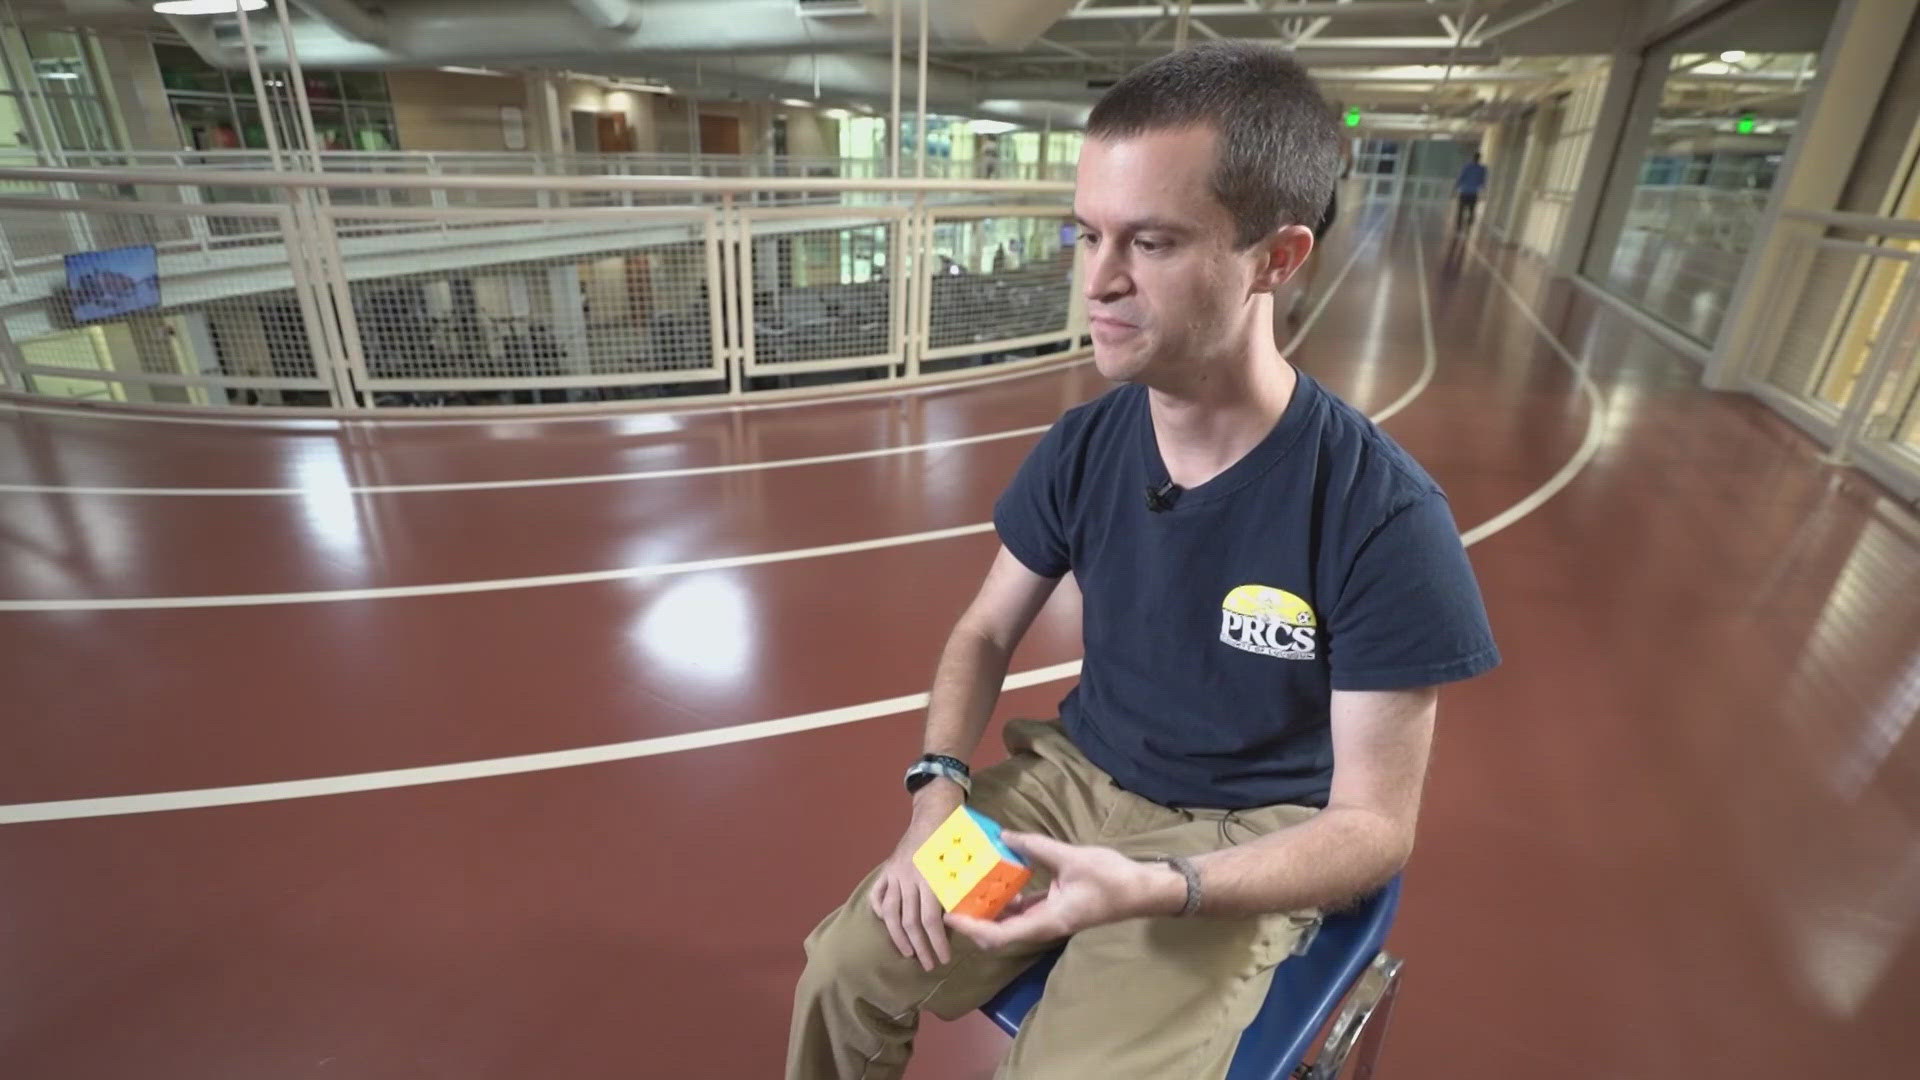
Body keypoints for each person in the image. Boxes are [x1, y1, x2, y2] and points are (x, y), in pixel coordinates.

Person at [787, 43, 1499, 1080]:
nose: (1101, 280)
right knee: (846, 970)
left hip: (1234, 844)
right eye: (1089, 234)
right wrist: (936, 795)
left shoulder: (1381, 516)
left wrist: (1163, 888)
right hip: (1065, 788)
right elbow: (985, 629)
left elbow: (1373, 826)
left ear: (1277, 258)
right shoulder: (1084, 444)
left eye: (1153, 242)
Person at [1455, 151, 1488, 230]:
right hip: (1473, 193)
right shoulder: (1482, 169)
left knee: (1461, 209)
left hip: (1465, 191)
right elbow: (1482, 181)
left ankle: (1459, 225)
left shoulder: (1466, 167)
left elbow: (1461, 177)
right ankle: (1469, 225)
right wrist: (1483, 190)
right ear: (1479, 159)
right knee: (1472, 209)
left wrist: (1456, 187)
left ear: (1473, 158)